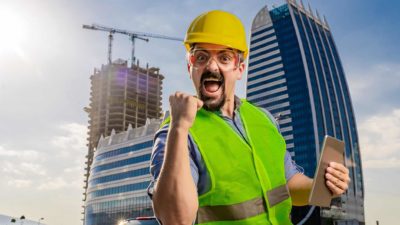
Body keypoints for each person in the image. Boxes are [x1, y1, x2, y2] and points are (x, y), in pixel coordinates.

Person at [148, 10, 350, 225]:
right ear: (190, 67)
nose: (211, 66)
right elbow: (175, 219)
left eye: (224, 58)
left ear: (239, 68)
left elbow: (289, 184)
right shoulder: (177, 133)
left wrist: (321, 185)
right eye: (201, 57)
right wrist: (179, 127)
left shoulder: (263, 118)